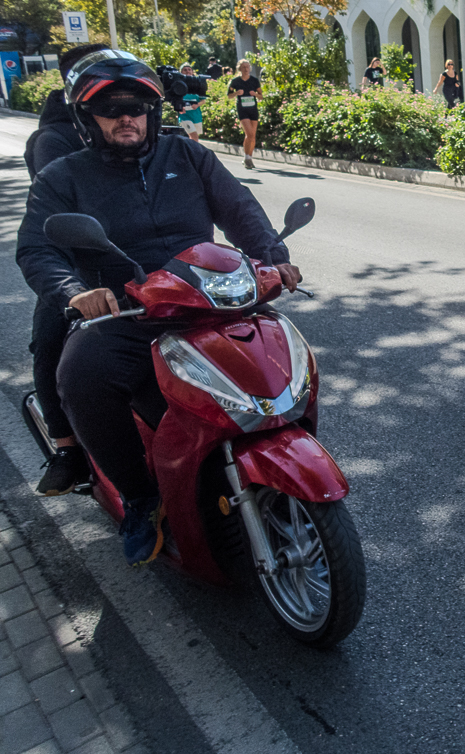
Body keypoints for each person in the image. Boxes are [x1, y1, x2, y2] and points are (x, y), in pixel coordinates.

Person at [16, 50, 302, 567]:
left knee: (278, 346)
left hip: (207, 303)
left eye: (139, 107)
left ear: (152, 111)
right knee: (80, 375)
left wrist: (275, 260)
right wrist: (73, 290)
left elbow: (240, 210)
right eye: (111, 109)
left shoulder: (188, 156)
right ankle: (141, 497)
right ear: (86, 116)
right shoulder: (62, 176)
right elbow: (37, 249)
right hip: (124, 314)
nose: (127, 117)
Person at [21, 43, 108, 496]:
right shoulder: (54, 138)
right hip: (76, 265)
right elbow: (61, 216)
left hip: (137, 260)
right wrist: (72, 290)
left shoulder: (135, 123)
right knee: (51, 349)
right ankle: (67, 449)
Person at [227, 59, 262, 169]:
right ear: (240, 69)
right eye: (243, 67)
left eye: (247, 67)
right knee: (249, 133)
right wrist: (237, 93)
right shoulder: (236, 81)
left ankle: (249, 158)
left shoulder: (255, 81)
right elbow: (229, 95)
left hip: (253, 109)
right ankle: (247, 157)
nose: (246, 69)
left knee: (252, 135)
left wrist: (255, 94)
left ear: (250, 68)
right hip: (242, 109)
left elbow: (261, 96)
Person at [177, 64, 205, 142]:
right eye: (185, 70)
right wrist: (179, 107)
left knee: (195, 138)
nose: (187, 71)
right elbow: (174, 99)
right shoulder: (179, 85)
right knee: (194, 136)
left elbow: (203, 100)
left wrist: (197, 105)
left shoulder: (197, 84)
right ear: (181, 72)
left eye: (189, 69)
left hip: (196, 115)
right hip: (185, 115)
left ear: (192, 72)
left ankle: (190, 152)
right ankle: (194, 153)